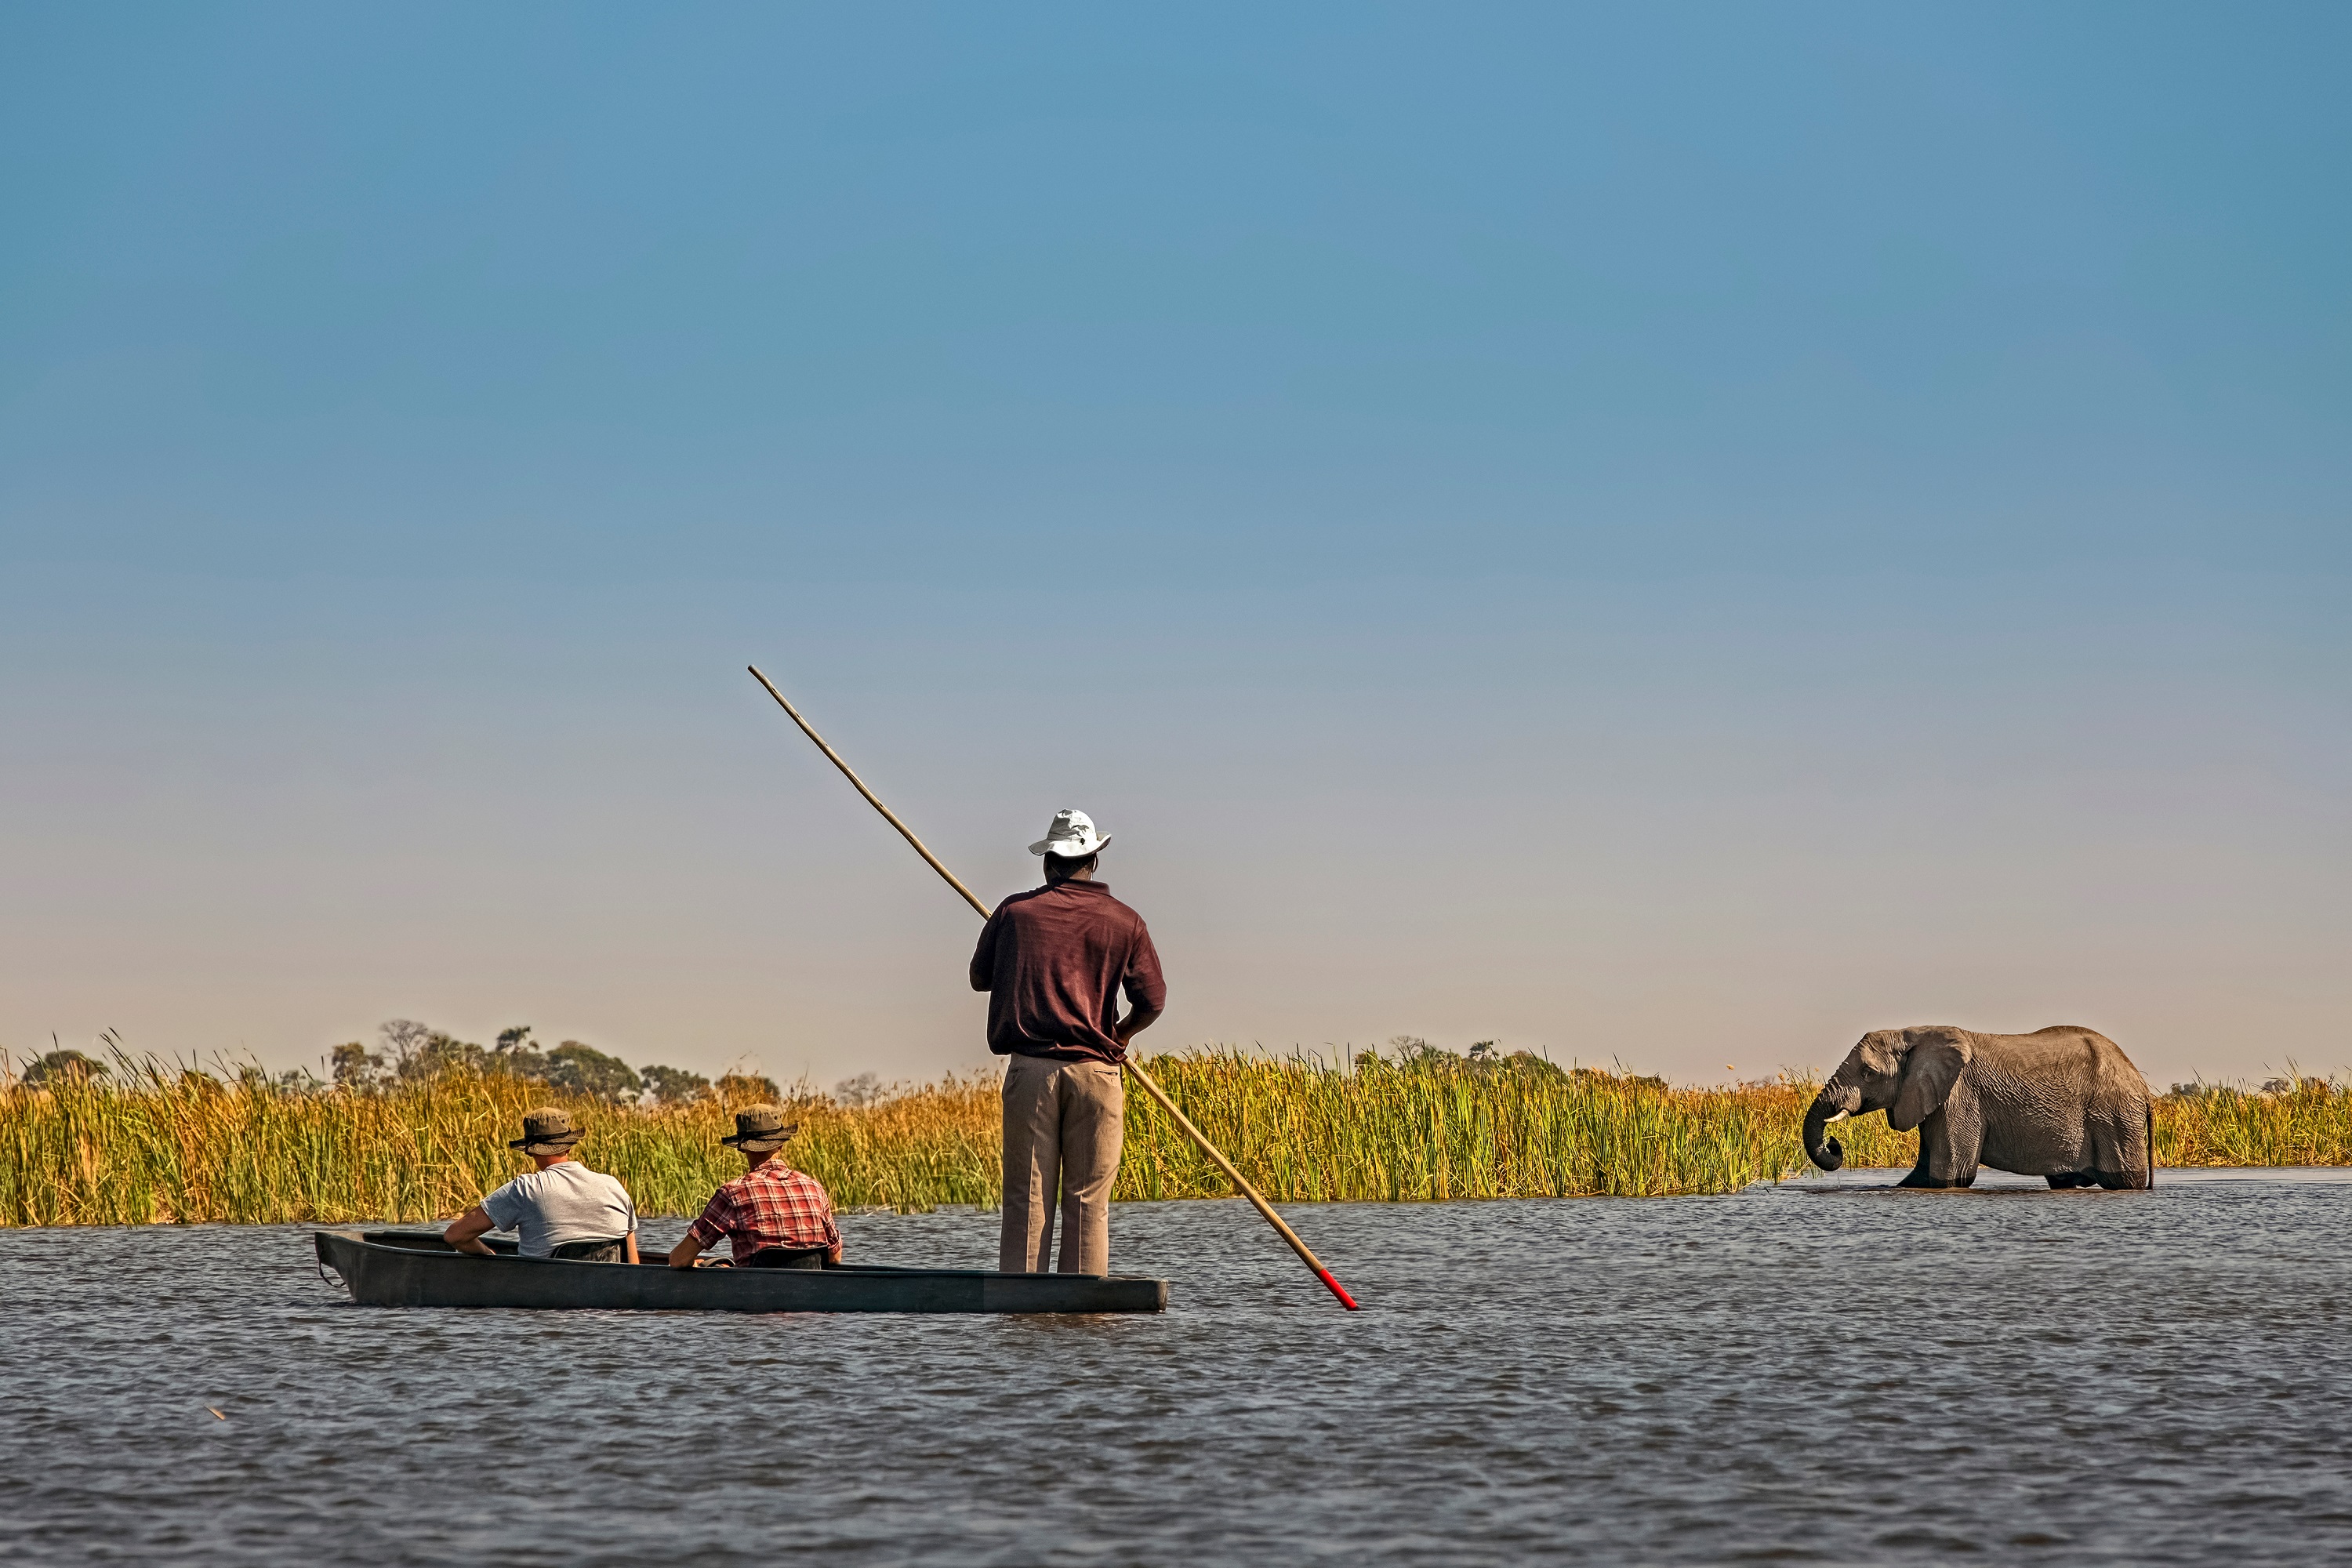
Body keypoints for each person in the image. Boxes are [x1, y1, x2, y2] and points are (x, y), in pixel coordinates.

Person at [971, 808, 1165, 1276]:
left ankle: (1021, 1307)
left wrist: (1014, 939)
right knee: (1088, 1203)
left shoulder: (1016, 912)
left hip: (1032, 1071)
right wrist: (1118, 1036)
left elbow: (980, 978)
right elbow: (1152, 1001)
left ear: (1047, 862)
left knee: (1027, 1199)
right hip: (1098, 1071)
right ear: (1094, 861)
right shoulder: (1126, 920)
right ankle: (1083, 1314)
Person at [445, 1107, 640, 1262]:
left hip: (545, 1296)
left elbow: (455, 1236)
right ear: (569, 1146)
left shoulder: (526, 1188)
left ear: (530, 1151)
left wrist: (491, 1258)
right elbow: (633, 1266)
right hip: (608, 1305)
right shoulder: (614, 1186)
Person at [667, 1105, 844, 1269]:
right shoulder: (814, 1188)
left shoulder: (732, 1193)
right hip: (809, 1292)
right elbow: (834, 1258)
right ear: (781, 1144)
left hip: (755, 1292)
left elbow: (679, 1260)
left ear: (742, 1148)